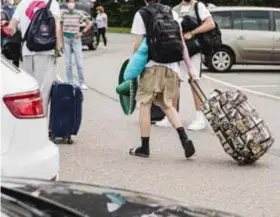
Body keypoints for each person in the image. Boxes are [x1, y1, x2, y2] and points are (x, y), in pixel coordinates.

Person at [129, 0, 197, 159]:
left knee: (145, 104)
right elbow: (181, 43)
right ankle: (184, 139)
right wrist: (189, 68)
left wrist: (133, 65)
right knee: (167, 104)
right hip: (172, 66)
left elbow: (138, 45)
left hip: (153, 66)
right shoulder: (171, 12)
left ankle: (144, 148)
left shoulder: (142, 13)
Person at [156, 0, 215, 130]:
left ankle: (200, 119)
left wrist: (192, 33)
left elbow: (210, 24)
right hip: (179, 49)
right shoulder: (176, 9)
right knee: (175, 82)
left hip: (194, 49)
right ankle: (172, 116)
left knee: (194, 82)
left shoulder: (198, 6)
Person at [8, 0, 63, 116]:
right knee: (44, 90)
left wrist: (20, 38)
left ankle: (29, 121)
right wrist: (59, 47)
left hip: (27, 51)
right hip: (46, 51)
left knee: (28, 90)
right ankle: (41, 122)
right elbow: (57, 27)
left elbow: (11, 27)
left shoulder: (23, 3)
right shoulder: (52, 3)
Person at [60, 0, 93, 90]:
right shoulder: (63, 14)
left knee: (79, 62)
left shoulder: (78, 14)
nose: (71, 4)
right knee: (68, 63)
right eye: (69, 2)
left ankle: (82, 82)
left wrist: (82, 33)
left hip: (76, 38)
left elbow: (89, 23)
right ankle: (69, 82)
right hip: (66, 38)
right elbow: (60, 27)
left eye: (73, 2)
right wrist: (60, 42)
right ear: (66, 3)